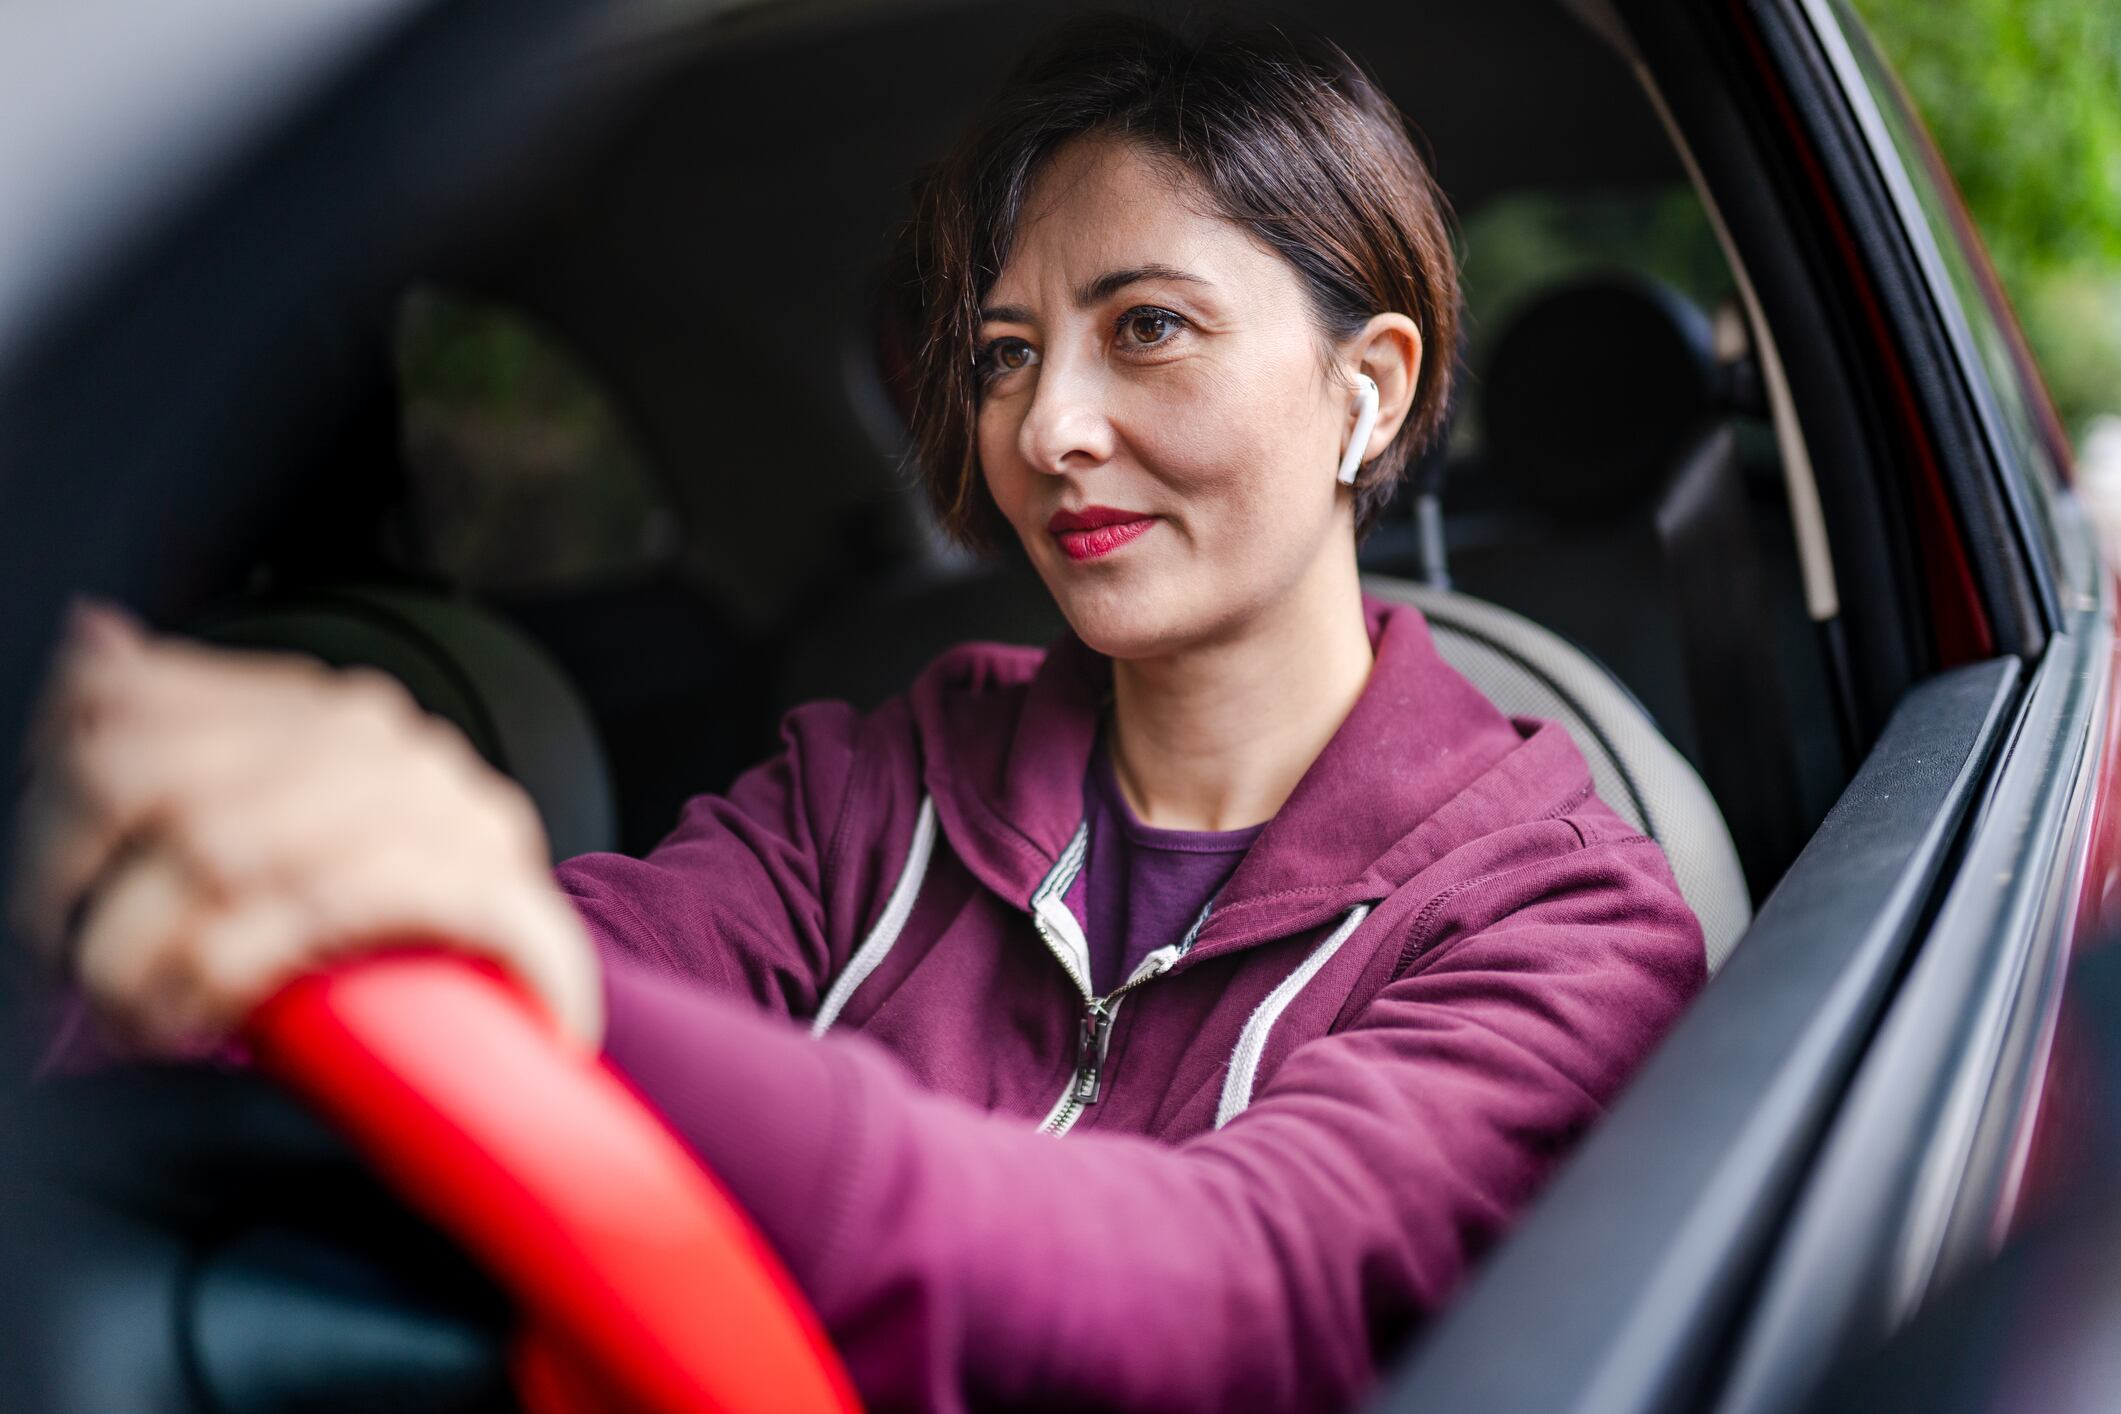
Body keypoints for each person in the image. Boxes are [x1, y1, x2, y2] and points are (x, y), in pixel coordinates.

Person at [10, 17, 1705, 1412]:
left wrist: (541, 974)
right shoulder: (885, 775)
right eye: (1002, 355)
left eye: (1148, 330)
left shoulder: (1565, 916)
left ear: (1371, 386)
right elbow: (567, 969)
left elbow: (1222, 1294)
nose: (1048, 429)